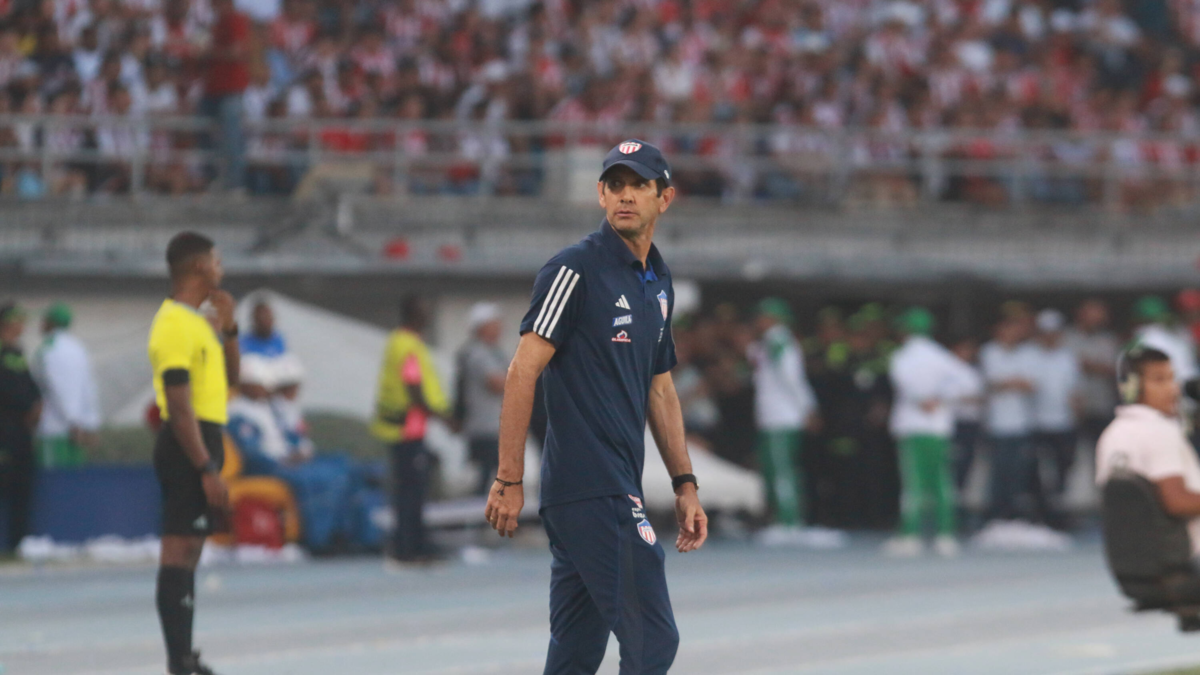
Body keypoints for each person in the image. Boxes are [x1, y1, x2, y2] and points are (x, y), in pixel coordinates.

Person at [485, 139, 707, 675]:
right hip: (591, 486)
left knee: (576, 653)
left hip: (610, 487)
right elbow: (521, 371)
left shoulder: (658, 281)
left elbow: (660, 389)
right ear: (601, 195)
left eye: (639, 186)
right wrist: (509, 477)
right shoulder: (574, 270)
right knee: (653, 638)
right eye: (615, 185)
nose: (625, 195)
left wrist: (685, 483)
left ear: (664, 198)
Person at [147, 232, 239, 675]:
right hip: (187, 445)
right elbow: (179, 405)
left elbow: (232, 378)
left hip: (206, 438)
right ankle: (178, 661)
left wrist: (230, 329)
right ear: (200, 266)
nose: (221, 269)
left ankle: (184, 655)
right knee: (178, 550)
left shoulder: (199, 323)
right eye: (217, 261)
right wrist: (205, 466)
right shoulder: (172, 324)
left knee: (191, 553)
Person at [1096, 347, 1200, 557]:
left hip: (1131, 557)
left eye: (1172, 378)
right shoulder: (1160, 431)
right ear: (1131, 386)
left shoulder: (1111, 434)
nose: (1173, 389)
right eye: (1159, 380)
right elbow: (1176, 502)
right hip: (1182, 556)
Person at [886, 307, 973, 557]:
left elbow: (903, 382)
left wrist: (922, 398)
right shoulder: (941, 355)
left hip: (913, 427)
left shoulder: (902, 356)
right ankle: (945, 535)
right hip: (938, 427)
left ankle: (910, 535)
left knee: (913, 482)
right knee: (941, 482)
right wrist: (940, 397)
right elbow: (966, 383)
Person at [371, 295, 448, 564]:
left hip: (404, 427)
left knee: (408, 489)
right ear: (414, 314)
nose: (427, 316)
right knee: (412, 491)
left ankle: (409, 544)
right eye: (423, 311)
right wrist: (442, 416)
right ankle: (410, 547)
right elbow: (414, 386)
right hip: (408, 429)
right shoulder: (408, 345)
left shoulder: (399, 341)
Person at [748, 297, 822, 546]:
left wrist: (808, 408)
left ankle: (789, 521)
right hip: (774, 417)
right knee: (777, 470)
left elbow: (792, 379)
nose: (758, 321)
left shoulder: (778, 340)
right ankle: (784, 519)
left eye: (762, 316)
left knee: (782, 471)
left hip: (781, 417)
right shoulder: (768, 342)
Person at [980, 314, 1039, 522]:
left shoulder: (1027, 353)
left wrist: (1007, 383)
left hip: (1022, 423)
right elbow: (991, 383)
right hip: (997, 424)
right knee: (999, 471)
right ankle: (996, 515)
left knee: (1019, 472)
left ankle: (1014, 516)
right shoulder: (989, 351)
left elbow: (1032, 385)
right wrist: (1013, 382)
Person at [32, 302, 100, 468]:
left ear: (51, 322)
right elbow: (88, 387)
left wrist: (72, 421)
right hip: (79, 429)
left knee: (53, 479)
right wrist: (90, 422)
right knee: (74, 479)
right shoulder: (78, 348)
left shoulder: (48, 348)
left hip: (54, 429)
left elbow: (57, 388)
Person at [1030, 309, 1082, 526]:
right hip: (1036, 424)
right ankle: (1040, 515)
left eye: (1054, 332)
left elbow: (1074, 391)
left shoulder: (1067, 357)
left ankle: (1059, 516)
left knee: (1063, 471)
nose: (1050, 337)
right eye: (1046, 332)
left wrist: (1076, 418)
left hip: (1064, 424)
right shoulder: (1030, 356)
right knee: (1037, 473)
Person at [0, 303, 40, 554]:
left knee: (22, 489)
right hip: (4, 432)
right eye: (18, 321)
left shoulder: (18, 354)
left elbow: (30, 388)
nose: (22, 326)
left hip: (21, 433)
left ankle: (18, 544)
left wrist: (36, 406)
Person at [458, 302, 508, 496]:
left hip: (495, 427)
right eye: (494, 323)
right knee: (486, 478)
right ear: (482, 327)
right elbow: (497, 383)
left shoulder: (494, 352)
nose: (499, 328)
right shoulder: (477, 353)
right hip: (484, 428)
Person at [202, 0, 250, 192]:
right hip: (212, 89)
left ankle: (235, 184)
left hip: (231, 88)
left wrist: (209, 52)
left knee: (232, 138)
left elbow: (237, 51)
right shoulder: (215, 23)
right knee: (203, 133)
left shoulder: (235, 20)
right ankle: (212, 178)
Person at [1064, 298, 1119, 457]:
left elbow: (1115, 369)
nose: (1098, 318)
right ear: (1081, 314)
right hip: (1072, 408)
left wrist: (1088, 365)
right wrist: (1093, 366)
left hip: (1101, 405)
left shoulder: (1108, 339)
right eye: (1093, 313)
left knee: (1102, 451)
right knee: (1074, 454)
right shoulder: (1067, 337)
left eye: (1100, 314)